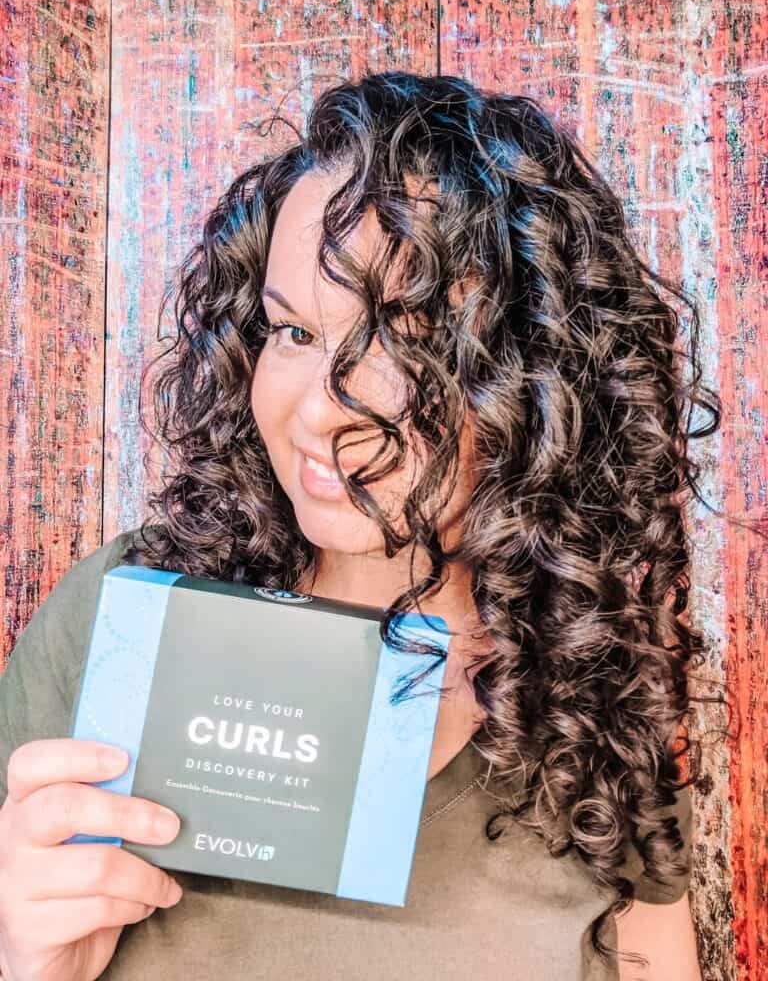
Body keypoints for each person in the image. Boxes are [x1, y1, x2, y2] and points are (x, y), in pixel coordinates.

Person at [0, 71, 715, 980]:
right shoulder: (113, 620)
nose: (315, 413)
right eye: (292, 333)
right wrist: (22, 958)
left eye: (403, 340)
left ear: (540, 388)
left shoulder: (597, 686)